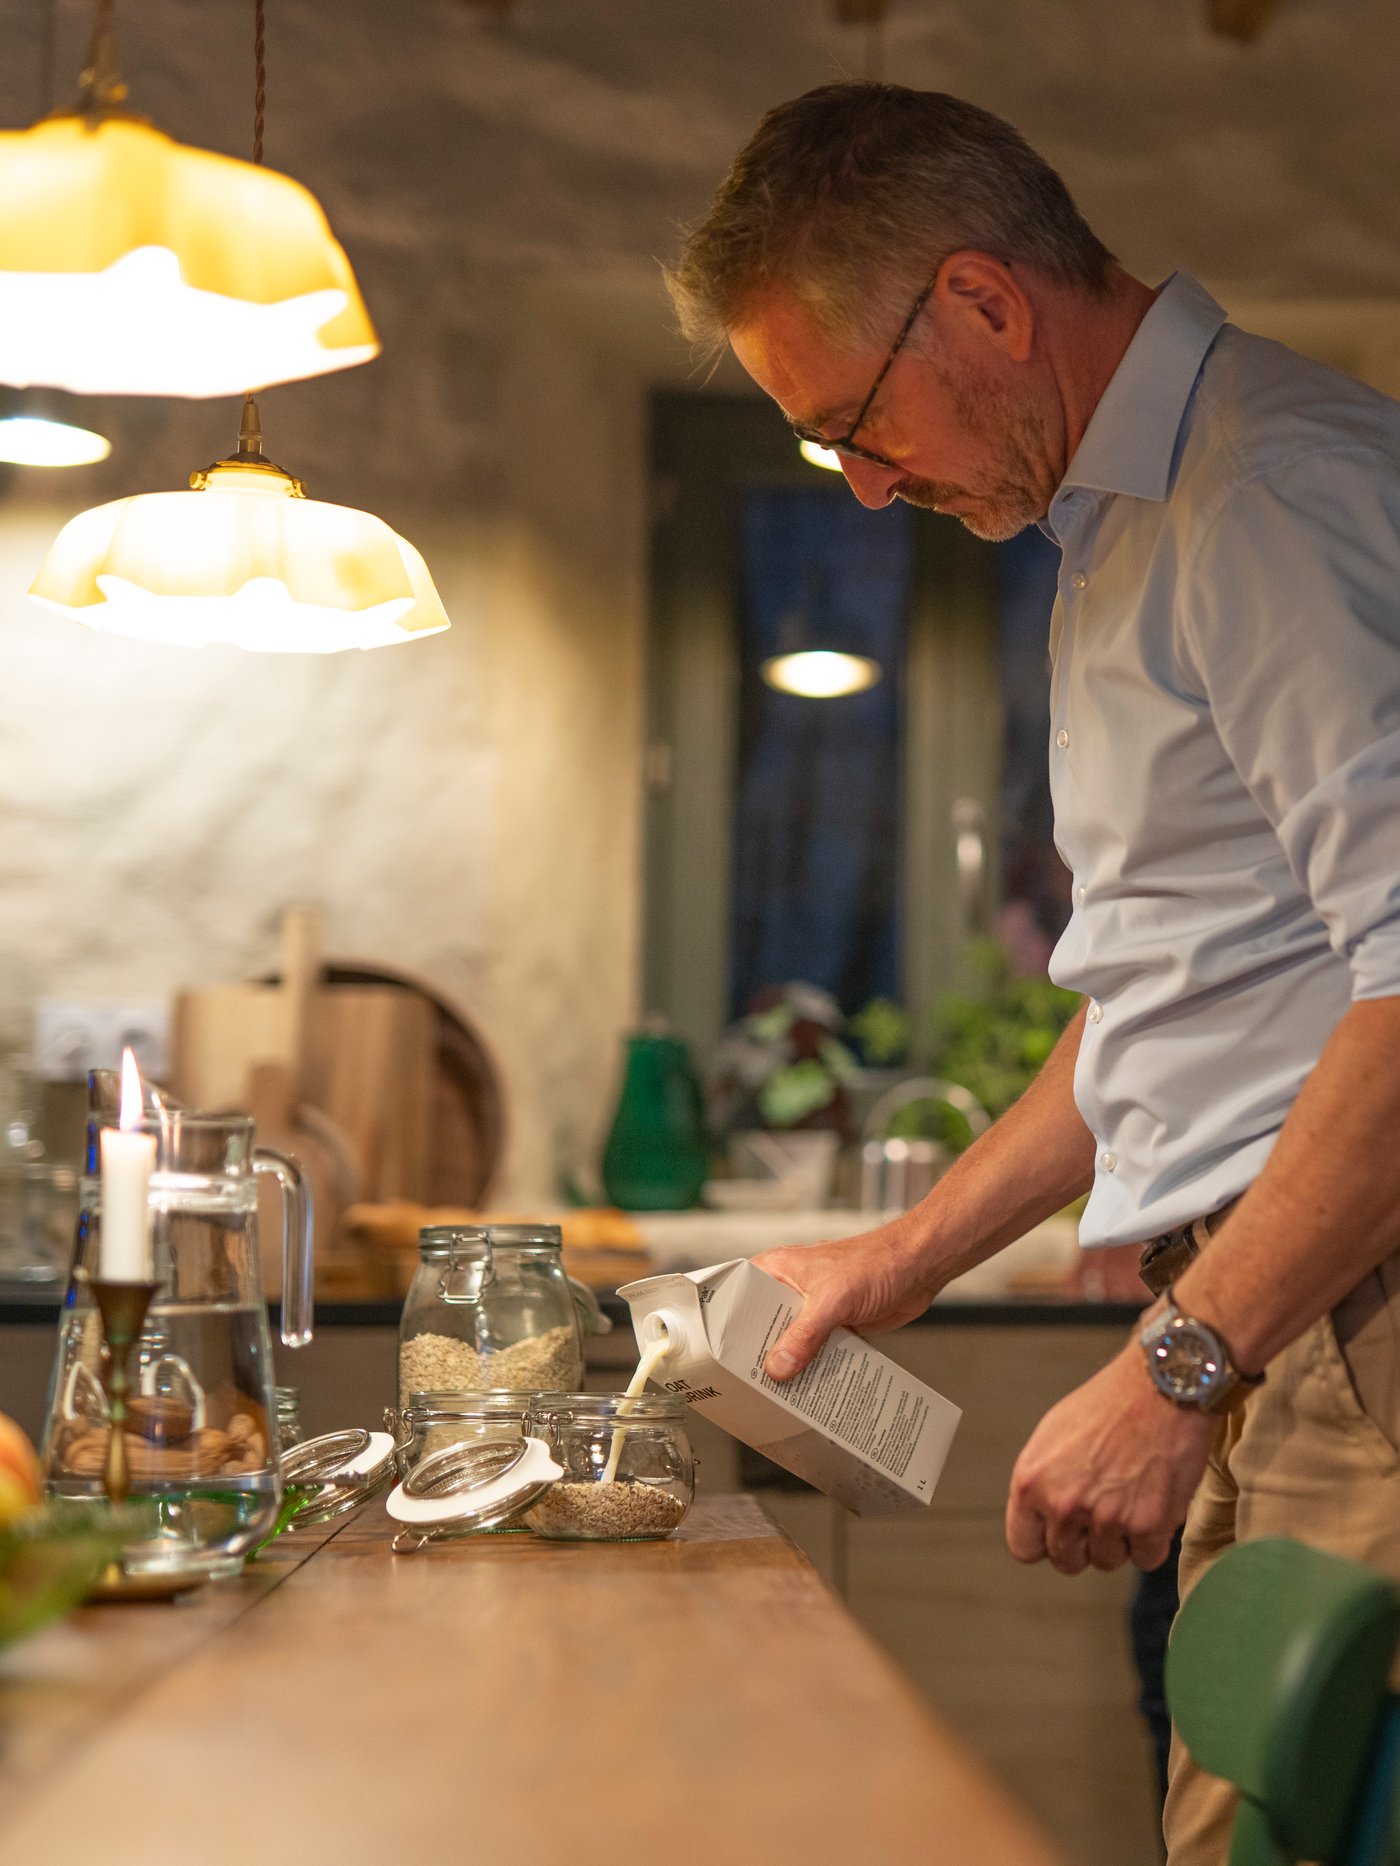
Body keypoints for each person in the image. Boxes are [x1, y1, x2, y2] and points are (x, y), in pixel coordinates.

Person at [664, 82, 1400, 1866]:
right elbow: (1168, 1004)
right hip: (1285, 1315)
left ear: (985, 303)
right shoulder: (1117, 525)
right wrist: (898, 1257)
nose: (859, 482)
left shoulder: (1268, 488)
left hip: (1353, 1321)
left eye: (852, 420)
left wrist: (1174, 1366)